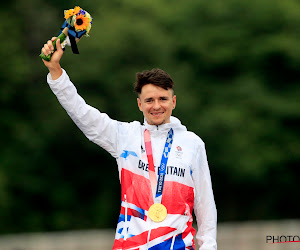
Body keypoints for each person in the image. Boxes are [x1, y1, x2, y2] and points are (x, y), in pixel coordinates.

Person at [41, 38, 217, 250]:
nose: (157, 106)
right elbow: (82, 113)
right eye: (149, 100)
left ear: (173, 101)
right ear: (139, 104)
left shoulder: (192, 144)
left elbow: (205, 205)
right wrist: (56, 71)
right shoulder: (125, 136)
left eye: (163, 99)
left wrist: (209, 246)